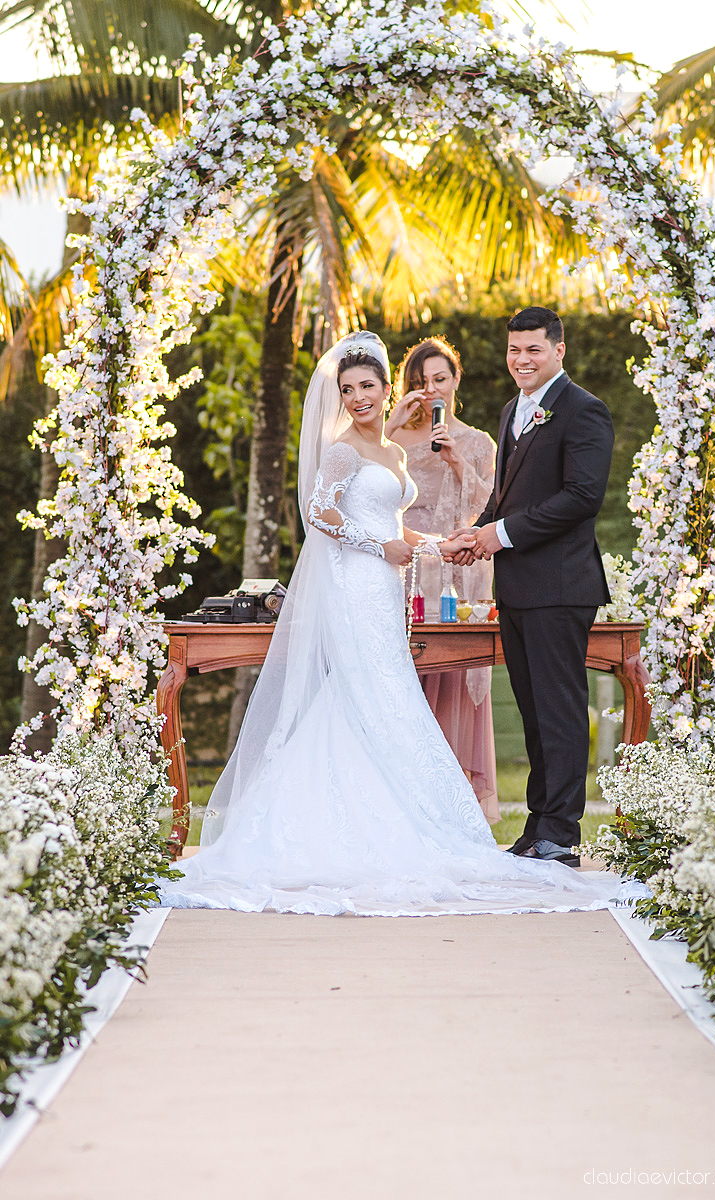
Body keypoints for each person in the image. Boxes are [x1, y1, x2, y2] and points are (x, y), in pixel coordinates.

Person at [159, 331, 618, 916]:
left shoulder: (398, 453)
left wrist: (442, 545)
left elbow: (400, 525)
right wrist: (380, 547)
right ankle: (338, 828)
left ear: (384, 387)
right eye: (347, 389)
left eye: (367, 386)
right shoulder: (342, 449)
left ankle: (538, 829)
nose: (357, 397)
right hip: (353, 587)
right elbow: (319, 516)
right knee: (366, 696)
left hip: (386, 591)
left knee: (388, 697)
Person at [452, 307, 614, 868]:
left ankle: (562, 836)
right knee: (534, 711)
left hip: (562, 585)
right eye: (514, 350)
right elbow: (506, 493)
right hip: (517, 587)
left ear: (559, 349)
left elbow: (581, 498)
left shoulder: (584, 411)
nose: (522, 360)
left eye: (533, 351)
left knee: (561, 709)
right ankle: (537, 826)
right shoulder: (510, 411)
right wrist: (479, 534)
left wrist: (500, 534)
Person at [384, 337, 499, 823]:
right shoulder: (393, 444)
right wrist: (392, 424)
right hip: (405, 568)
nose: (430, 389)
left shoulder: (478, 443)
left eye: (439, 379)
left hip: (458, 575)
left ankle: (454, 810)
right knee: (406, 678)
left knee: (453, 677)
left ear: (455, 381)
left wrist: (457, 461)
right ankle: (402, 800)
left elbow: (491, 510)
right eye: (420, 381)